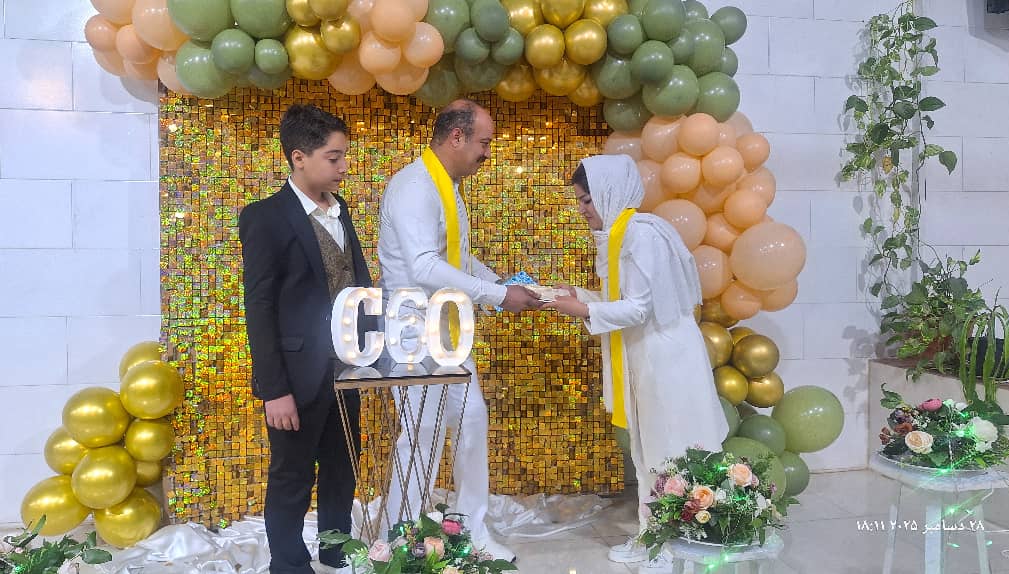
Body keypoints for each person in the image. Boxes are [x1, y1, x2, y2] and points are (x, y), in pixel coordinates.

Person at [543, 154, 729, 573]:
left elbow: (640, 308)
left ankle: (672, 544)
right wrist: (576, 296)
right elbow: (623, 302)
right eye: (580, 201)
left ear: (609, 193)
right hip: (646, 357)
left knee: (671, 448)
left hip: (667, 359)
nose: (582, 210)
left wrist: (581, 309)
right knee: (648, 450)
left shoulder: (641, 234)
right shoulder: (618, 236)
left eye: (587, 200)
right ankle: (653, 536)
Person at [377, 98, 541, 562]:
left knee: (471, 421)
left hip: (450, 333)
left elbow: (456, 259)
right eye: (484, 142)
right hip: (414, 335)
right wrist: (497, 296)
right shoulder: (413, 186)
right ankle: (403, 540)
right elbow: (424, 266)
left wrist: (502, 285)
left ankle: (472, 530)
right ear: (456, 137)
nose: (487, 153)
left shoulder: (446, 186)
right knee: (421, 435)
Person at [240, 104, 373, 574]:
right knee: (292, 475)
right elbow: (259, 309)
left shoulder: (341, 210)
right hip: (295, 377)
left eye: (344, 157)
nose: (344, 167)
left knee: (342, 466)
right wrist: (274, 389)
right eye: (334, 158)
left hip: (346, 367)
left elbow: (355, 283)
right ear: (299, 157)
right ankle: (289, 564)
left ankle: (336, 550)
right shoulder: (265, 217)